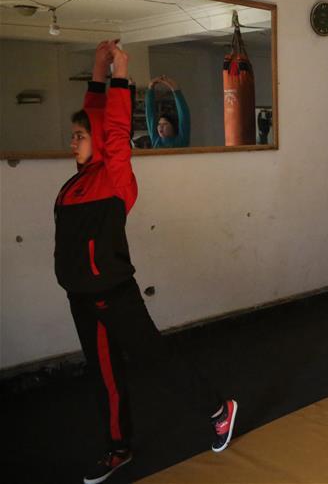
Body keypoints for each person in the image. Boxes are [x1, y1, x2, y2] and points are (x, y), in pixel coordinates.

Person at [57, 41, 237, 484]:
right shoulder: (75, 184)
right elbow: (95, 117)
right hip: (81, 297)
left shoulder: (115, 177)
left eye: (80, 137)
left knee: (156, 360)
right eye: (74, 136)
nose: (73, 142)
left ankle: (219, 409)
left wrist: (121, 74)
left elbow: (112, 128)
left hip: (113, 293)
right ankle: (118, 448)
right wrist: (97, 67)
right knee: (104, 377)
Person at [146, 75, 191, 148]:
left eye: (165, 124)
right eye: (159, 124)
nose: (160, 126)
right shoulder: (156, 141)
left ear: (173, 127)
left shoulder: (181, 140)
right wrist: (150, 88)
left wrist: (176, 90)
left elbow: (184, 116)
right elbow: (150, 116)